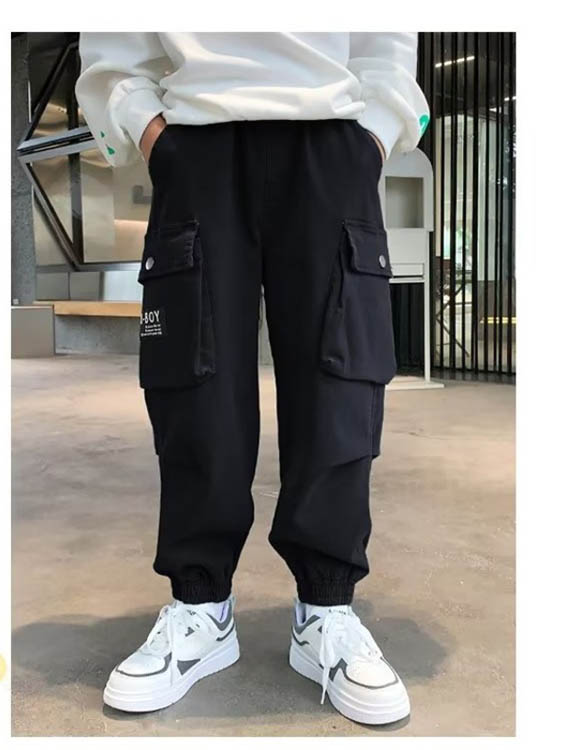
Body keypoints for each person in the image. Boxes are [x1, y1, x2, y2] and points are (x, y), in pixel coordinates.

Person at [75, 32, 429, 724]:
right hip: (196, 143)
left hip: (332, 141)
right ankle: (201, 605)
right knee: (194, 385)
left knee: (340, 383)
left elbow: (388, 38)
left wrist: (371, 140)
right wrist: (154, 137)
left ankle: (325, 608)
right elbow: (113, 40)